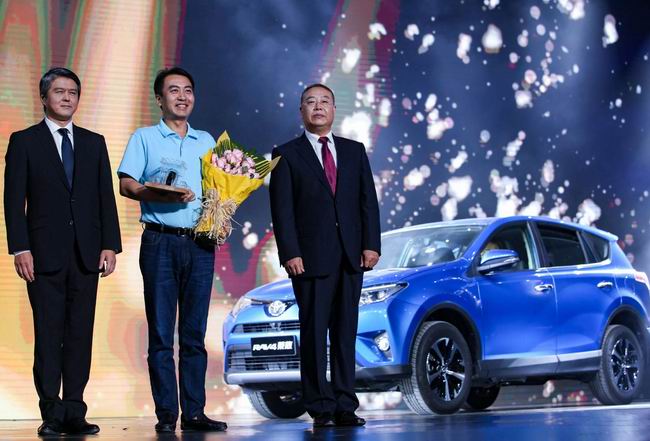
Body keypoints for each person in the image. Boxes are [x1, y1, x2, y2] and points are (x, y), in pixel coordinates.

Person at [4, 67, 122, 436]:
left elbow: (105, 197)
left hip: (87, 254)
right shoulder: (24, 141)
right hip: (42, 255)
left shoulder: (93, 142)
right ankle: (51, 413)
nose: (67, 97)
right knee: (48, 333)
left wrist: (110, 244)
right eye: (59, 91)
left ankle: (75, 410)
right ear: (44, 97)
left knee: (80, 335)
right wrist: (20, 247)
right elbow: (13, 201)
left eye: (72, 92)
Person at [117, 67, 227, 433]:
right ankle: (167, 415)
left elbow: (219, 189)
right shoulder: (144, 137)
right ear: (159, 99)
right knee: (162, 334)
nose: (182, 96)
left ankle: (195, 413)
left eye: (188, 90)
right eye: (174, 90)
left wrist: (222, 212)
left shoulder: (206, 140)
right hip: (160, 242)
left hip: (200, 243)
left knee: (194, 334)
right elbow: (127, 185)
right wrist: (159, 194)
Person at [269, 83, 381, 428]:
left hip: (351, 257)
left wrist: (371, 244)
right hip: (310, 259)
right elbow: (282, 210)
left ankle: (346, 404)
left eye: (324, 101)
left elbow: (367, 201)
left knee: (346, 334)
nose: (318, 107)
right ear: (301, 111)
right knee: (315, 333)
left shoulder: (353, 150)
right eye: (311, 102)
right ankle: (320, 406)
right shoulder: (286, 154)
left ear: (334, 109)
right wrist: (290, 252)